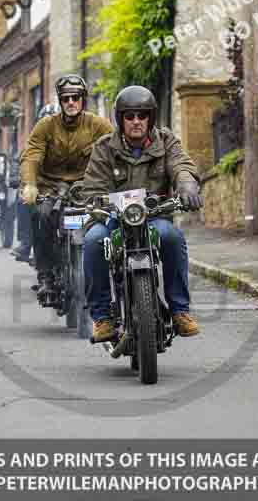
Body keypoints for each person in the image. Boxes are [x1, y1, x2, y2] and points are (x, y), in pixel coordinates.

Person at [82, 85, 202, 342]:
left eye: (142, 115)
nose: (136, 121)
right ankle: (102, 317)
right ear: (120, 119)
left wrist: (187, 183)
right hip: (113, 219)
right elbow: (92, 186)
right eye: (130, 116)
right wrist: (97, 202)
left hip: (153, 217)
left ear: (151, 117)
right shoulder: (104, 147)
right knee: (93, 241)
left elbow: (180, 164)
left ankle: (180, 311)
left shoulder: (166, 141)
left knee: (172, 238)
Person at [19, 75, 114, 299]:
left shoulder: (99, 125)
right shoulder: (45, 125)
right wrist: (30, 184)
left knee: (111, 219)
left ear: (83, 100)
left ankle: (114, 270)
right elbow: (31, 156)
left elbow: (116, 152)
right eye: (66, 98)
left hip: (88, 187)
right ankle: (46, 275)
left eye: (76, 98)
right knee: (41, 216)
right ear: (60, 101)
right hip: (51, 186)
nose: (71, 102)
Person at [11, 103, 60, 263]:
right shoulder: (33, 144)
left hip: (69, 190)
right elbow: (23, 162)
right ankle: (26, 243)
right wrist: (20, 180)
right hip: (42, 190)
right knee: (24, 201)